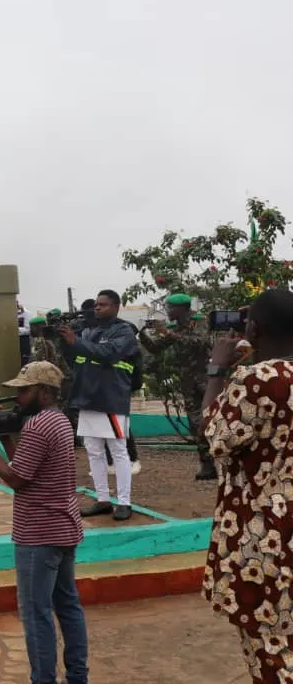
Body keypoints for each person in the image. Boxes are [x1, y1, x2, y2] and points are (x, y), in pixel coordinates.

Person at [0, 361, 87, 684]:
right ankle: (78, 676)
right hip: (64, 528)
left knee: (36, 614)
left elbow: (16, 478)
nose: (18, 398)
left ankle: (43, 679)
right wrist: (6, 439)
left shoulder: (37, 426)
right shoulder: (60, 421)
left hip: (38, 534)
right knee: (69, 606)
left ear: (44, 392)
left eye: (24, 391)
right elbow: (27, 465)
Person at [200, 289, 293, 683]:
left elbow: (213, 435)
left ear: (252, 330)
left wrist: (216, 369)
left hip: (265, 539)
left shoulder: (257, 379)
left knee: (271, 652)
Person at [58, 289, 137, 521]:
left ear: (116, 307)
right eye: (96, 305)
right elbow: (76, 359)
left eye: (103, 304)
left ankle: (124, 502)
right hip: (88, 397)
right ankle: (103, 500)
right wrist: (65, 342)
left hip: (111, 398)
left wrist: (77, 342)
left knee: (118, 451)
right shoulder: (89, 331)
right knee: (93, 451)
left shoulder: (124, 331)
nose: (97, 308)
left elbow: (108, 353)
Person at [138, 293, 215, 480]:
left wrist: (169, 333)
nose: (168, 311)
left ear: (183, 309)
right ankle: (207, 464)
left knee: (214, 418)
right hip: (188, 382)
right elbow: (156, 348)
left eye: (170, 307)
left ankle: (223, 460)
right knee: (195, 423)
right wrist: (142, 334)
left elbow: (200, 342)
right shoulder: (176, 328)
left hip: (207, 379)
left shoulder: (200, 322)